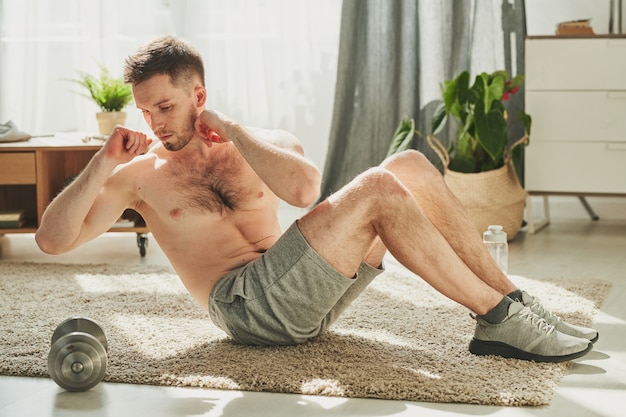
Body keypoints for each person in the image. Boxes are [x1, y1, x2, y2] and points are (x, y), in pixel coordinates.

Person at [36, 36, 597, 363]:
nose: (154, 122)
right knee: (379, 187)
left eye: (164, 107)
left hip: (309, 299)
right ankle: (495, 317)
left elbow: (304, 191)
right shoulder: (138, 176)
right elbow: (52, 240)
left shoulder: (256, 143)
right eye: (145, 110)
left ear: (198, 97)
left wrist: (229, 129)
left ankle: (517, 306)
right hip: (244, 310)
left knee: (408, 165)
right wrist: (100, 162)